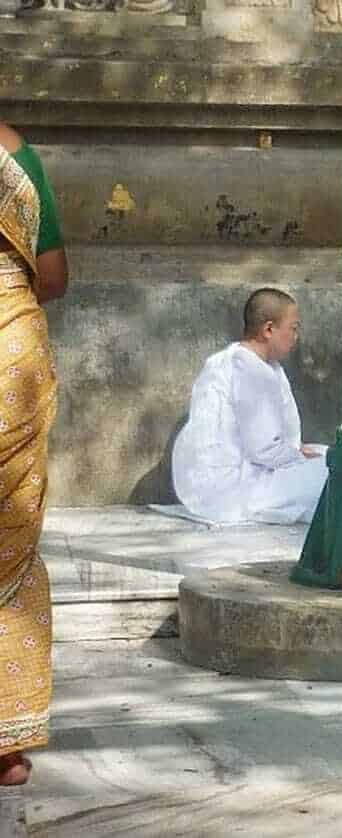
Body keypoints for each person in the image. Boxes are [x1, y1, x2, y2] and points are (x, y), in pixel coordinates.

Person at [0, 122, 68, 800]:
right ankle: (8, 744)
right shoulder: (16, 155)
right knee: (11, 548)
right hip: (11, 356)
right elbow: (53, 277)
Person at [171, 288, 328, 524]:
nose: (296, 337)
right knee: (337, 471)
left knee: (326, 453)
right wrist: (297, 457)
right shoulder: (249, 370)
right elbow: (263, 450)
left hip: (220, 481)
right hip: (232, 489)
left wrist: (296, 451)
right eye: (293, 329)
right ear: (268, 329)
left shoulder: (239, 360)